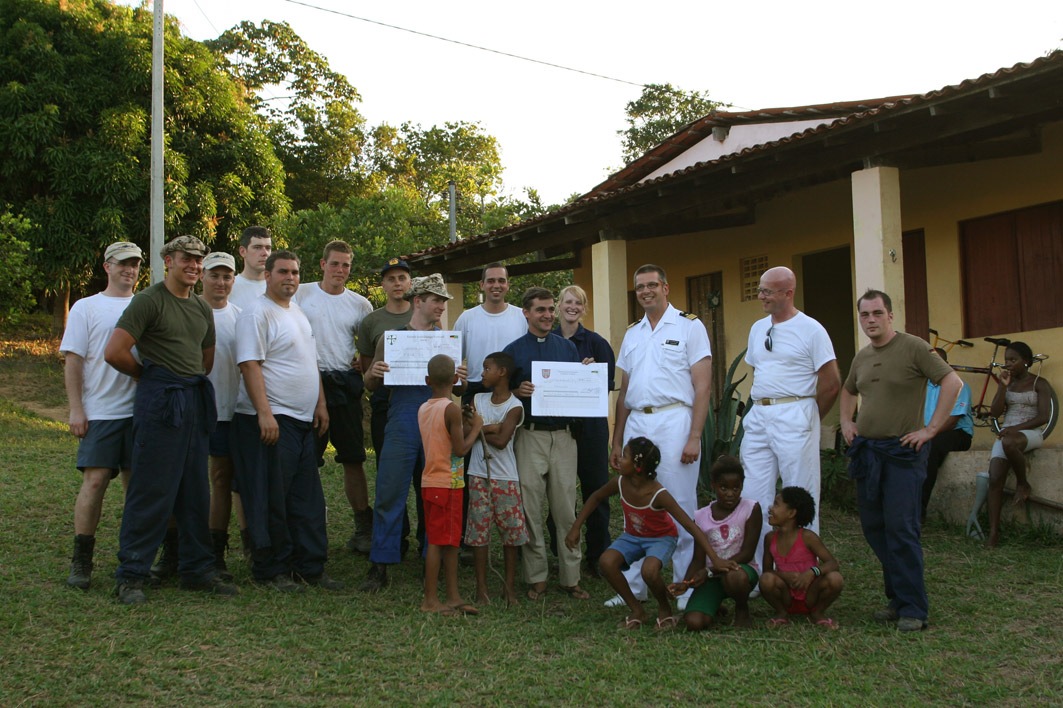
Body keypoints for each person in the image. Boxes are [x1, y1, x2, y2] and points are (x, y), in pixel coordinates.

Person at [104, 236, 237, 604]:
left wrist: (182, 380)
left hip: (193, 399)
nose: (193, 265)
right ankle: (131, 574)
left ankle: (196, 569)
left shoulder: (200, 308)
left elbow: (204, 362)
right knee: (151, 489)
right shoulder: (149, 300)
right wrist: (151, 377)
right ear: (168, 261)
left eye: (198, 260)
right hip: (160, 401)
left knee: (195, 489)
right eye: (186, 259)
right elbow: (114, 352)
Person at [840, 289, 961, 632]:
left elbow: (952, 382)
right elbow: (849, 389)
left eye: (878, 313)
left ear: (890, 316)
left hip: (903, 454)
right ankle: (897, 598)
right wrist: (848, 422)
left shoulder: (914, 347)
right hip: (868, 454)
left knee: (901, 528)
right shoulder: (862, 357)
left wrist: (931, 429)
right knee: (874, 527)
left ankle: (913, 608)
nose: (871, 320)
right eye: (865, 315)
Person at [231, 250, 341, 592]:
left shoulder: (297, 313)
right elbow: (249, 365)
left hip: (303, 421)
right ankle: (271, 570)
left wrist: (320, 403)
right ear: (267, 275)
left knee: (305, 499)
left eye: (295, 272)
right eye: (283, 272)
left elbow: (311, 362)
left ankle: (309, 567)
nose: (290, 278)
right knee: (271, 498)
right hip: (272, 420)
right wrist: (265, 413)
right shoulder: (256, 314)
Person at [607, 264, 712, 610]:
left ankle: (685, 585)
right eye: (640, 287)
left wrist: (694, 435)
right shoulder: (633, 333)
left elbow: (702, 386)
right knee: (636, 503)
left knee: (679, 503)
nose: (646, 291)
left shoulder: (689, 326)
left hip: (674, 421)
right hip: (638, 422)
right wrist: (617, 437)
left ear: (666, 287)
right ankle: (636, 585)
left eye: (652, 285)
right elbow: (625, 392)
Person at [359, 274, 467, 592]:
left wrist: (461, 376)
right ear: (418, 301)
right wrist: (373, 373)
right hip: (402, 418)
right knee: (390, 491)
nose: (441, 307)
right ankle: (380, 563)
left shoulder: (447, 341)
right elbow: (369, 383)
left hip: (437, 420)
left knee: (434, 493)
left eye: (444, 301)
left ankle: (429, 559)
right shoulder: (391, 338)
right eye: (436, 300)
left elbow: (459, 387)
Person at [567, 437, 733, 631]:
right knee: (606, 562)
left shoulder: (658, 494)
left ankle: (665, 609)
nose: (619, 459)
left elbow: (690, 526)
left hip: (661, 538)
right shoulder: (620, 482)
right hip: (632, 536)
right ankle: (637, 610)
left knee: (649, 570)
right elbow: (596, 497)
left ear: (638, 466)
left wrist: (715, 559)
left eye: (625, 456)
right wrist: (576, 527)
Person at [741, 266, 840, 568]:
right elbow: (759, 370)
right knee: (753, 493)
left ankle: (802, 570)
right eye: (760, 290)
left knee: (800, 492)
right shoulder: (758, 328)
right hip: (760, 413)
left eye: (767, 291)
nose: (761, 296)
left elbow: (832, 381)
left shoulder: (811, 329)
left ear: (788, 292)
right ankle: (756, 569)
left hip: (795, 411)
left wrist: (808, 416)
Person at [60, 241, 143, 590]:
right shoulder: (86, 307)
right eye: (123, 263)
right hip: (102, 413)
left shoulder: (147, 304)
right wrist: (77, 408)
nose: (130, 269)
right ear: (107, 266)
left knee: (136, 489)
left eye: (136, 264)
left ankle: (134, 560)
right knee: (94, 483)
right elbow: (74, 360)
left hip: (140, 413)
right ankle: (82, 560)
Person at [503, 287, 587, 601]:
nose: (548, 315)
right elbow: (501, 394)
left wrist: (586, 376)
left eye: (551, 309)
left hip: (564, 436)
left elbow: (578, 391)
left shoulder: (567, 349)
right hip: (530, 435)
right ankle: (536, 577)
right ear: (526, 313)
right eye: (541, 310)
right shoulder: (512, 350)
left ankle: (571, 577)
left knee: (566, 508)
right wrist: (516, 391)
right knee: (530, 508)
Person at [295, 240, 374, 554]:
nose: (340, 270)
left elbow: (367, 346)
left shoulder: (360, 304)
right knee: (307, 461)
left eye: (346, 265)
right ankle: (308, 527)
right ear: (322, 264)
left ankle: (363, 528)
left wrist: (361, 362)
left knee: (353, 458)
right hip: (306, 382)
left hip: (344, 385)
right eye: (335, 264)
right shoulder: (301, 293)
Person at [553, 284, 615, 575]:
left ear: (584, 308)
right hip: (559, 427)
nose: (572, 307)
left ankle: (598, 555)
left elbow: (605, 386)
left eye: (578, 302)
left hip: (590, 428)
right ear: (558, 306)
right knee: (559, 493)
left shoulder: (597, 343)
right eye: (567, 302)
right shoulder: (548, 341)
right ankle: (561, 554)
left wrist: (587, 374)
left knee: (596, 491)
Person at [356, 257, 415, 554]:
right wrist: (374, 375)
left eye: (402, 278)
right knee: (389, 472)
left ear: (410, 283)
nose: (397, 284)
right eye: (391, 279)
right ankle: (397, 537)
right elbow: (368, 368)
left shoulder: (425, 314)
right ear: (383, 285)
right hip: (386, 403)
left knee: (424, 473)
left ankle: (428, 542)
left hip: (421, 403)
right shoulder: (372, 322)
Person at [418, 354, 483, 616]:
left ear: (427, 380)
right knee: (437, 541)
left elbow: (444, 437)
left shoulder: (424, 407)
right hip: (447, 482)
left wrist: (462, 424)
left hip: (433, 481)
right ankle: (430, 600)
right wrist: (476, 427)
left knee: (451, 540)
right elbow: (459, 449)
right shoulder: (451, 409)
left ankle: (453, 596)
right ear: (456, 379)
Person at [464, 351, 528, 606]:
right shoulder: (478, 399)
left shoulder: (514, 405)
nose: (482, 373)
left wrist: (479, 428)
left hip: (505, 477)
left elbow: (502, 442)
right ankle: (482, 590)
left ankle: (508, 588)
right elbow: (464, 429)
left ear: (501, 372)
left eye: (487, 368)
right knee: (479, 534)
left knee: (511, 535)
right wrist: (489, 427)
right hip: (478, 475)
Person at [668, 455, 761, 630]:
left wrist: (710, 571)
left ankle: (742, 609)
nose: (730, 494)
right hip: (712, 579)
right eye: (723, 488)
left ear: (742, 485)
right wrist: (685, 582)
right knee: (694, 622)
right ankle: (715, 604)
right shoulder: (702, 516)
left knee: (735, 577)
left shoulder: (751, 508)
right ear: (713, 485)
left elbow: (747, 553)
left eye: (736, 487)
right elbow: (698, 558)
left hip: (741, 570)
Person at [200, 251, 248, 579]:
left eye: (226, 276)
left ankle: (225, 549)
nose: (221, 282)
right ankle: (200, 550)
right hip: (198, 410)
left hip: (235, 411)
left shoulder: (242, 316)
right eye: (214, 275)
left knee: (231, 480)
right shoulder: (190, 311)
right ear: (202, 276)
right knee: (209, 481)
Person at [985, 341, 1055, 548]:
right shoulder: (1008, 384)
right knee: (995, 478)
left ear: (1026, 362)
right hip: (1008, 435)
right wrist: (1001, 387)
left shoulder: (1040, 383)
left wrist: (1015, 429)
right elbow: (995, 413)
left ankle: (1022, 483)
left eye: (1013, 360)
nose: (1008, 364)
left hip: (1030, 434)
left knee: (1008, 441)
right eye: (1007, 360)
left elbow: (1043, 416)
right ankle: (993, 533)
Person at [759, 486, 844, 629]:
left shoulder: (808, 537)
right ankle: (781, 612)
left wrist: (811, 573)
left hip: (811, 593)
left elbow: (832, 563)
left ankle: (817, 612)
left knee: (836, 579)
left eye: (776, 504)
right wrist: (784, 576)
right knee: (766, 580)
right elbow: (767, 571)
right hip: (786, 595)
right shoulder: (770, 538)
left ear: (791, 513)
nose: (770, 509)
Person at [454, 262, 528, 406]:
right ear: (482, 285)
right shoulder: (466, 318)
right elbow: (453, 359)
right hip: (476, 389)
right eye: (491, 281)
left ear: (508, 284)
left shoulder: (522, 317)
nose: (496, 285)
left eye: (501, 281)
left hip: (513, 391)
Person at [920, 348, 974, 522]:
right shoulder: (922, 387)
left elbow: (952, 420)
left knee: (930, 448)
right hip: (929, 432)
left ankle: (919, 512)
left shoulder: (959, 385)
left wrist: (928, 433)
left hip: (957, 433)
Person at [229, 225, 272, 310]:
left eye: (268, 248)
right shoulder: (229, 287)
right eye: (257, 247)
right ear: (243, 251)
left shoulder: (278, 287)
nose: (265, 253)